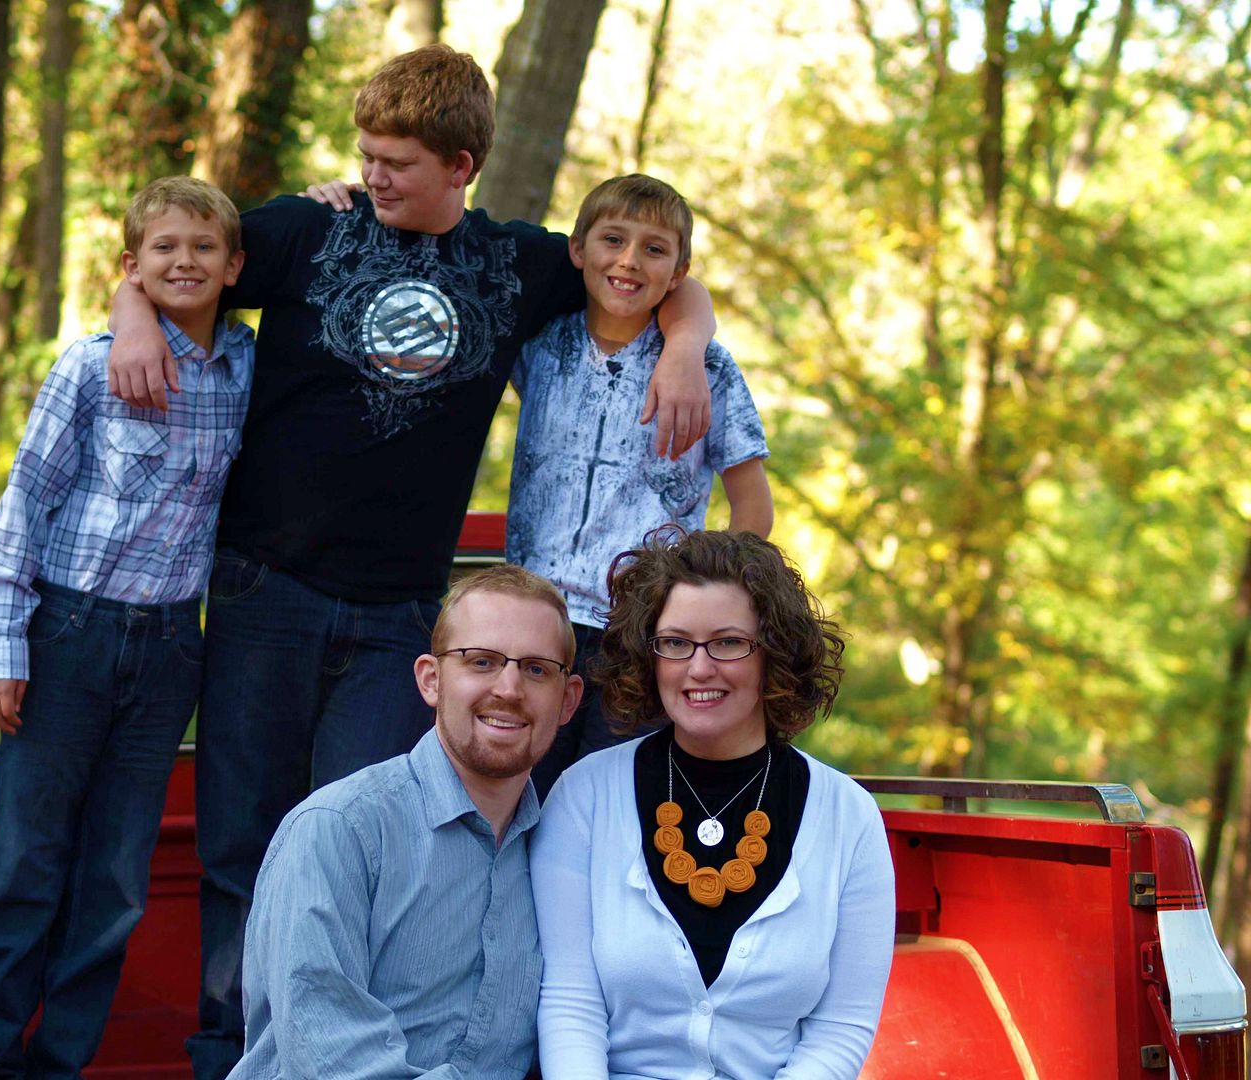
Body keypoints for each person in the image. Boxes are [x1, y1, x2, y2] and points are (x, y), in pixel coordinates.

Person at [106, 45, 716, 1076]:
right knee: (240, 847)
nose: (373, 175)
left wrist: (688, 347)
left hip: (398, 621)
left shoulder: (518, 265)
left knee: (376, 851)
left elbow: (658, 272)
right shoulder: (309, 230)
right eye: (367, 155)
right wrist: (131, 312)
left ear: (461, 165)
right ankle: (233, 1057)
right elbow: (171, 254)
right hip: (265, 591)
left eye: (397, 162)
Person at [0, 176, 252, 1078]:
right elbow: (22, 507)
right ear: (132, 265)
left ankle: (62, 1064)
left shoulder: (249, 369)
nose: (184, 262)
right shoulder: (89, 367)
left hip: (169, 647)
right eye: (163, 248)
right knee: (25, 863)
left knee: (118, 881)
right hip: (69, 633)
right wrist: (4, 646)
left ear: (234, 266)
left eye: (203, 247)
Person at [530, 529, 895, 1079]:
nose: (699, 668)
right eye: (676, 642)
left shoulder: (850, 817)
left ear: (774, 653)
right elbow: (569, 1003)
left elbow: (841, 1028)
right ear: (650, 656)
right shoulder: (585, 797)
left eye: (727, 642)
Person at [230, 565, 584, 1080]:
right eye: (481, 661)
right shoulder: (339, 830)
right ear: (431, 680)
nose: (509, 688)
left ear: (568, 700)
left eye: (536, 669)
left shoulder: (561, 854)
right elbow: (335, 1063)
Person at [504, 174, 774, 799]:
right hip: (538, 624)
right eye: (613, 240)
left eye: (654, 249)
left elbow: (753, 508)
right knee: (522, 793)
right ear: (578, 250)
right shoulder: (539, 345)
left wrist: (701, 607)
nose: (629, 261)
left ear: (679, 272)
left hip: (639, 631)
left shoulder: (708, 369)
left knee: (612, 800)